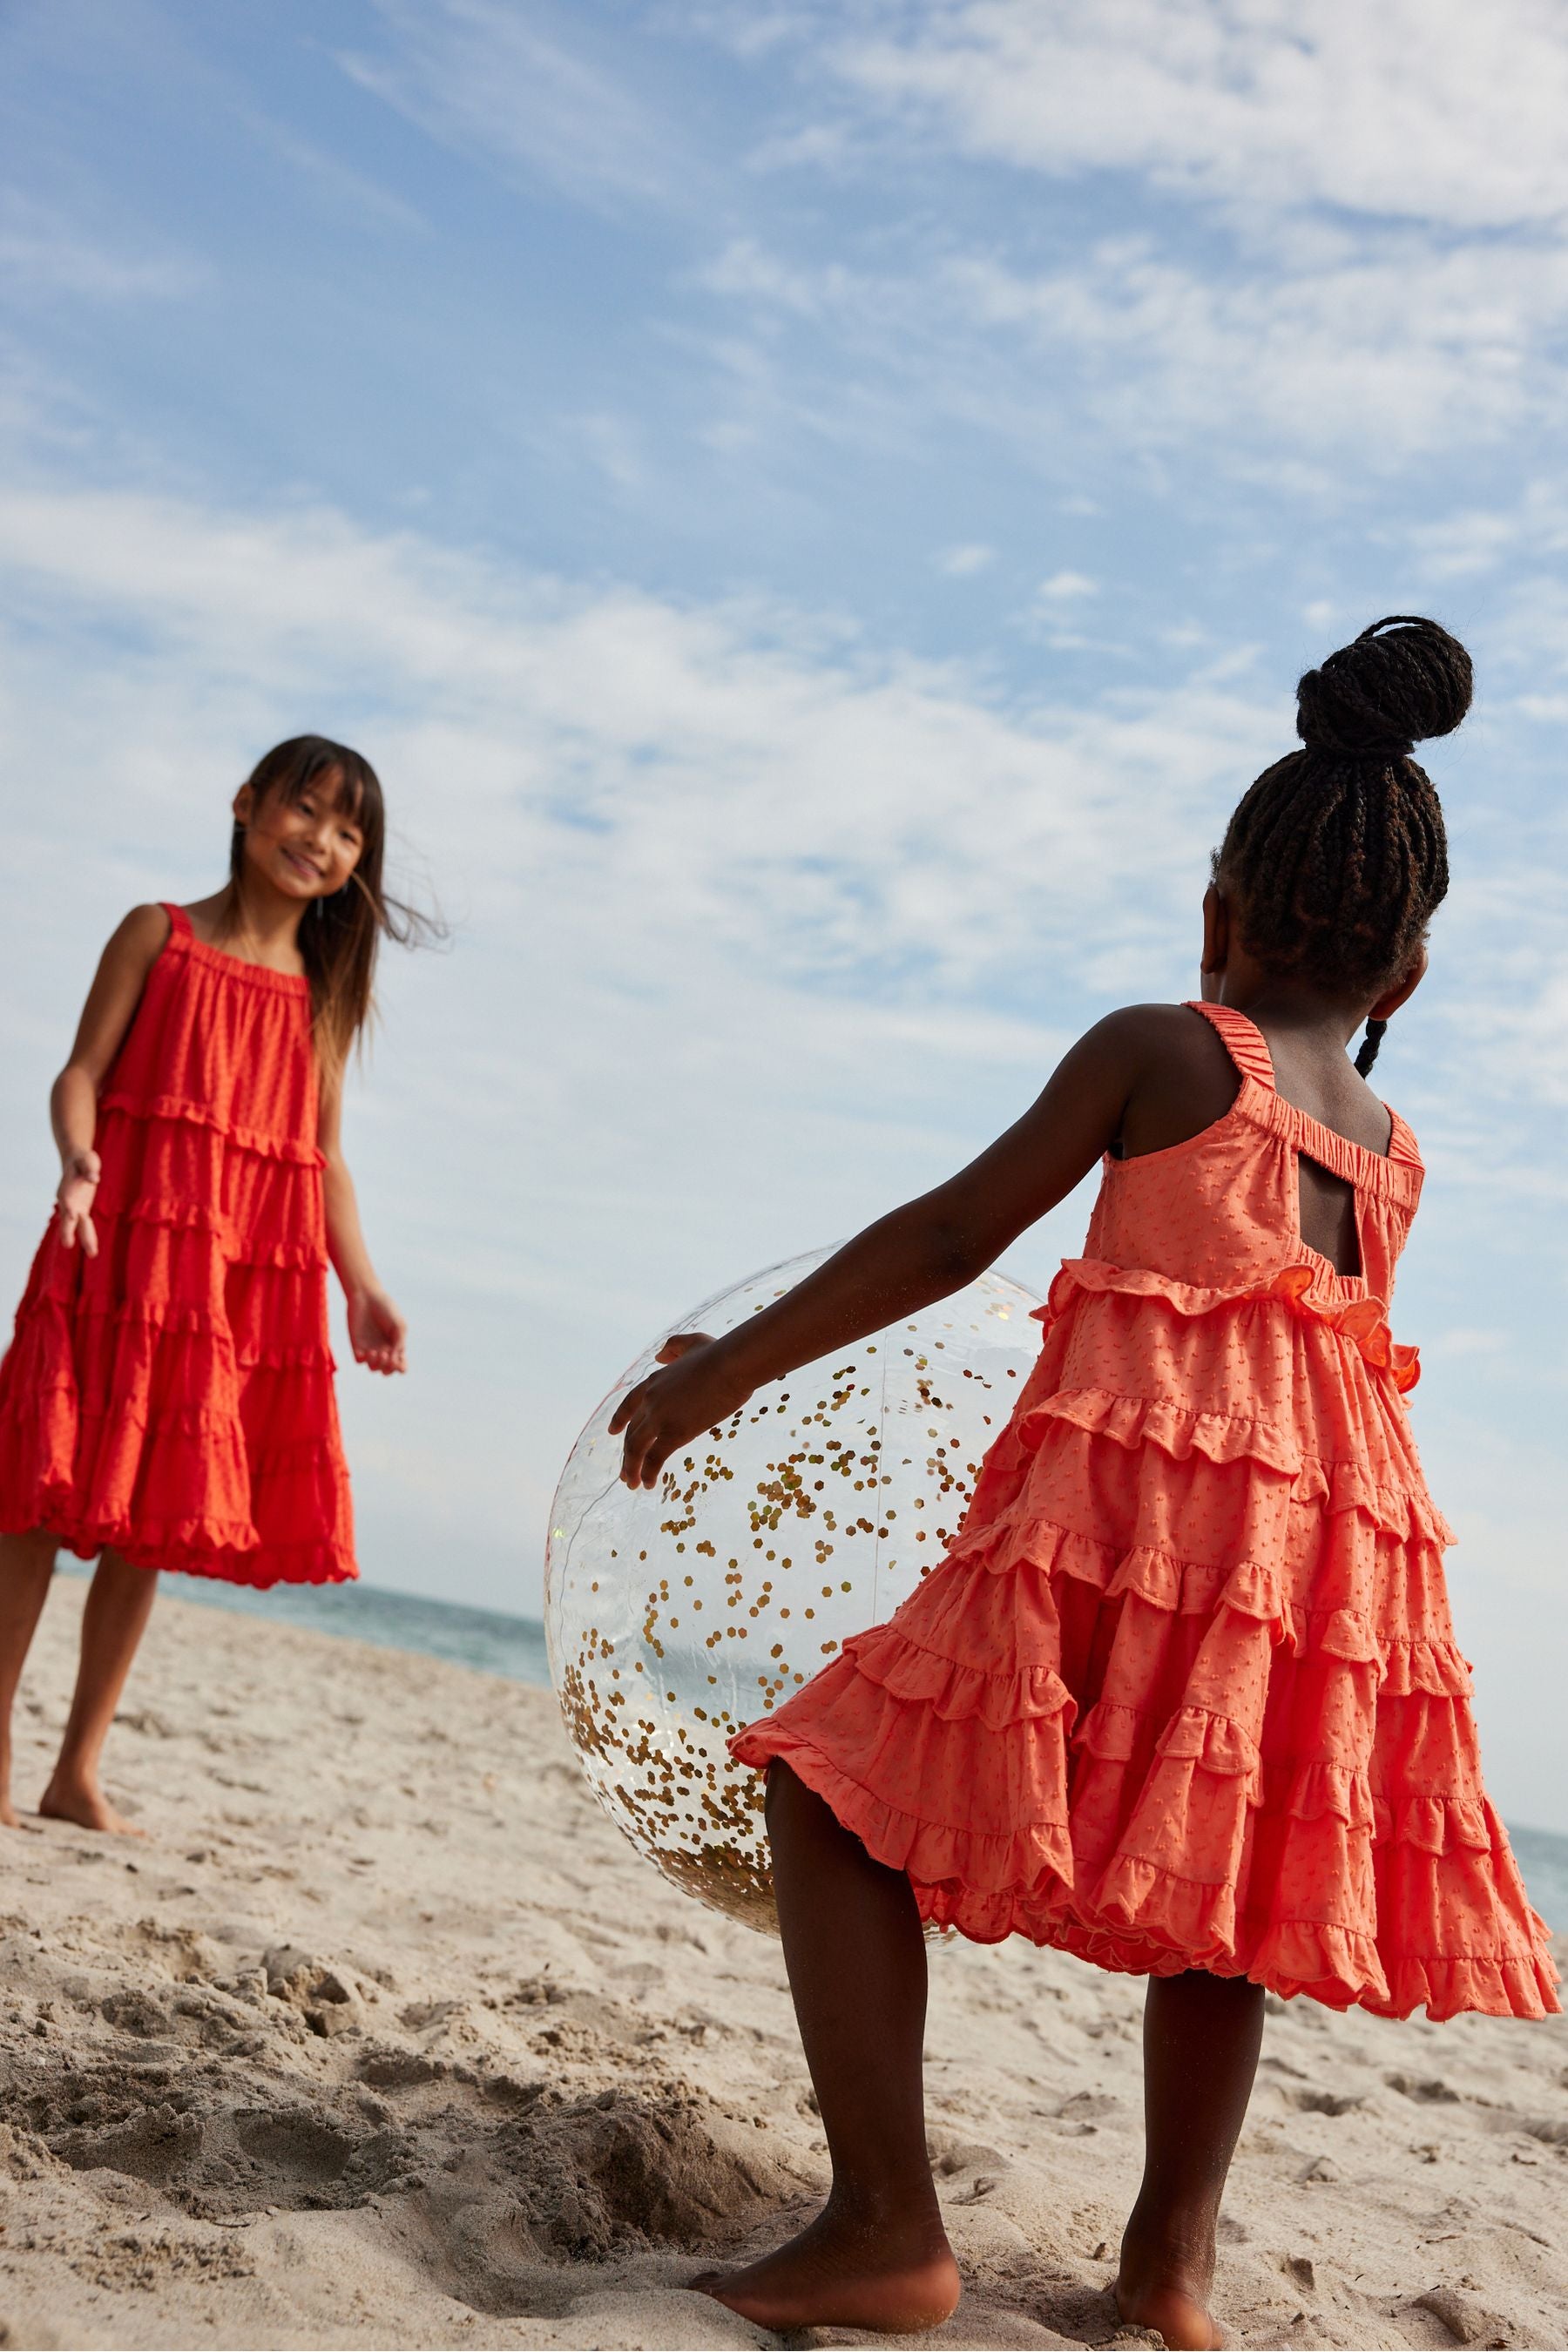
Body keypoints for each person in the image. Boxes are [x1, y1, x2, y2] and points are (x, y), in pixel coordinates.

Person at [611, 618, 1560, 2350]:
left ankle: (888, 2228)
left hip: (1131, 1516)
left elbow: (959, 1229)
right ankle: (1170, 2278)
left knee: (828, 1794)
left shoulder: (1165, 1046)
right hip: (1325, 1555)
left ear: (1218, 914)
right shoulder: (1395, 1149)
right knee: (1226, 1907)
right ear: (1408, 978)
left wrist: (725, 1369)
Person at [0, 736, 428, 1836]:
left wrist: (363, 1286)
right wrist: (79, 1163)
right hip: (115, 1238)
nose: (322, 841)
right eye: (306, 810)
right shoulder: (160, 932)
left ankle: (76, 1768)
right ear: (245, 805)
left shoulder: (322, 994)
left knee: (152, 1518)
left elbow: (321, 1156)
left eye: (348, 832)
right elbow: (80, 1074)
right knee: (36, 1499)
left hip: (232, 1273)